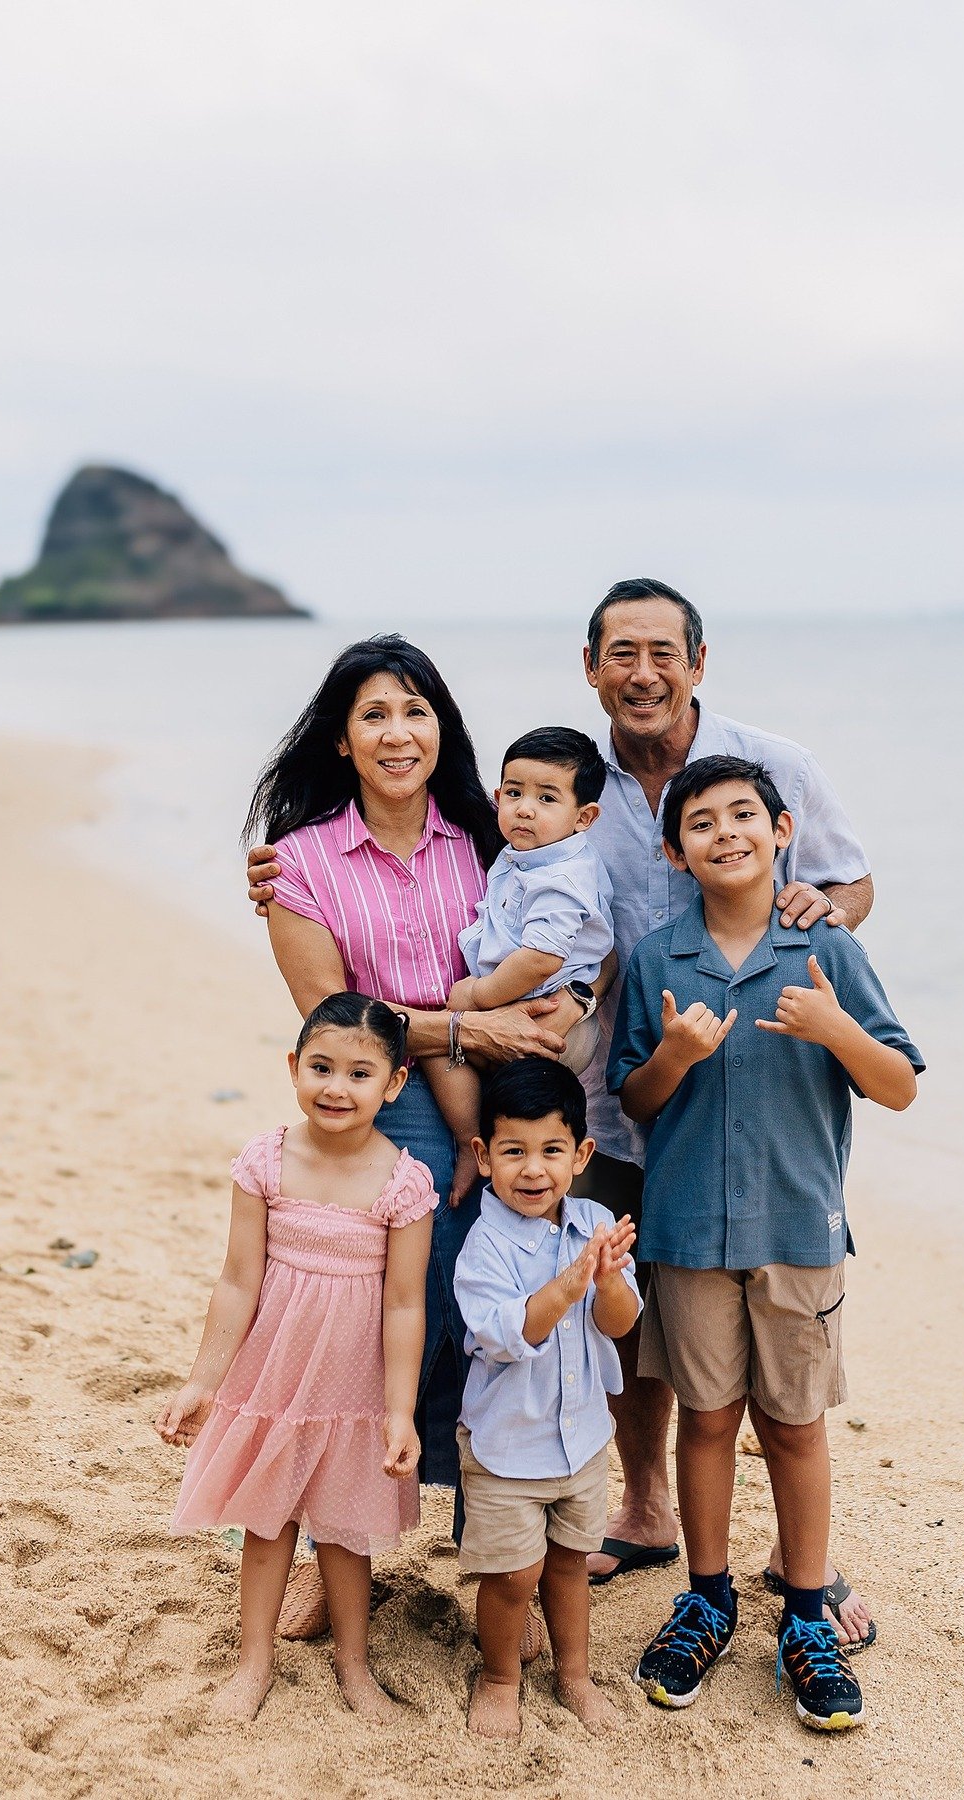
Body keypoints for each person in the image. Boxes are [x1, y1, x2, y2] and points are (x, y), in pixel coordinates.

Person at [243, 635, 601, 1639]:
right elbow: (333, 1020)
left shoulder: (493, 837)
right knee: (352, 1337)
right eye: (374, 715)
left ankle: (502, 1556)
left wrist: (574, 998)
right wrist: (473, 1026)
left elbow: (585, 919)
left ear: (443, 729)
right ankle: (330, 1552)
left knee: (492, 1328)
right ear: (344, 740)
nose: (398, 732)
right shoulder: (299, 862)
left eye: (415, 711)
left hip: (502, 1120)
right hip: (370, 1121)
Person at [572, 580, 879, 1649]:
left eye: (663, 650)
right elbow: (498, 855)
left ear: (700, 661)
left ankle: (808, 1576)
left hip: (772, 1121)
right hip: (620, 1107)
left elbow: (851, 887)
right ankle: (653, 1517)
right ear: (591, 665)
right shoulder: (575, 782)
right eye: (622, 652)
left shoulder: (775, 766)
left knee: (788, 1395)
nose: (642, 670)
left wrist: (819, 920)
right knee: (643, 1340)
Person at [608, 757, 923, 1731]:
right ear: (675, 851)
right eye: (701, 823)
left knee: (794, 1425)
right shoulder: (657, 959)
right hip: (689, 1234)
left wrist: (834, 1028)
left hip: (798, 1231)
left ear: (783, 829)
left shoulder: (825, 951)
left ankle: (807, 1612)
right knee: (703, 1418)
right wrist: (674, 1055)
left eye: (744, 815)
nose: (726, 834)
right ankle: (706, 1596)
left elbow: (900, 1084)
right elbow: (634, 1100)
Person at [154, 994, 435, 1722]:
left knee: (345, 1526)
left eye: (359, 1073)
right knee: (267, 1518)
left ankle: (354, 1667)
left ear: (394, 1084)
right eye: (320, 1067)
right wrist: (202, 1382)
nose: (336, 1088)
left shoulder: (404, 1182)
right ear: (293, 1068)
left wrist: (400, 1412)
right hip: (274, 1370)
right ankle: (254, 1663)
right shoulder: (267, 1160)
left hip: (352, 1383)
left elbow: (406, 1304)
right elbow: (237, 1279)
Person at [453, 1058, 640, 1739]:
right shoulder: (486, 1245)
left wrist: (611, 1277)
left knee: (568, 1566)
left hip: (583, 1440)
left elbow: (617, 1324)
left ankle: (575, 1676)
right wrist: (572, 1279)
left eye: (551, 1151)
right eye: (514, 1152)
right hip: (508, 1446)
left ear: (581, 1153)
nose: (533, 1170)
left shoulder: (593, 1221)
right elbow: (508, 1334)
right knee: (511, 1575)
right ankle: (500, 1676)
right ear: (484, 1155)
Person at [419, 727, 616, 1205]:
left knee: (445, 1043)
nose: (525, 808)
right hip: (532, 1002)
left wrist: (479, 996)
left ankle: (484, 1151)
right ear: (497, 795)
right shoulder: (528, 855)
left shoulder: (564, 874)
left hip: (550, 1018)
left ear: (584, 817)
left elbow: (541, 957)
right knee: (446, 1043)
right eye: (514, 792)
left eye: (547, 798)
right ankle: (481, 1147)